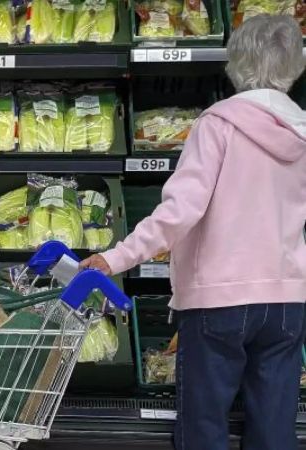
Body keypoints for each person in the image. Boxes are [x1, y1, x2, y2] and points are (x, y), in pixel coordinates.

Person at [82, 14, 306, 450]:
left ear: (235, 61)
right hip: (286, 303)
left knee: (203, 427)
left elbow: (180, 212)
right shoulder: (302, 132)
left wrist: (116, 258)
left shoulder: (218, 124)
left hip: (219, 302)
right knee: (275, 428)